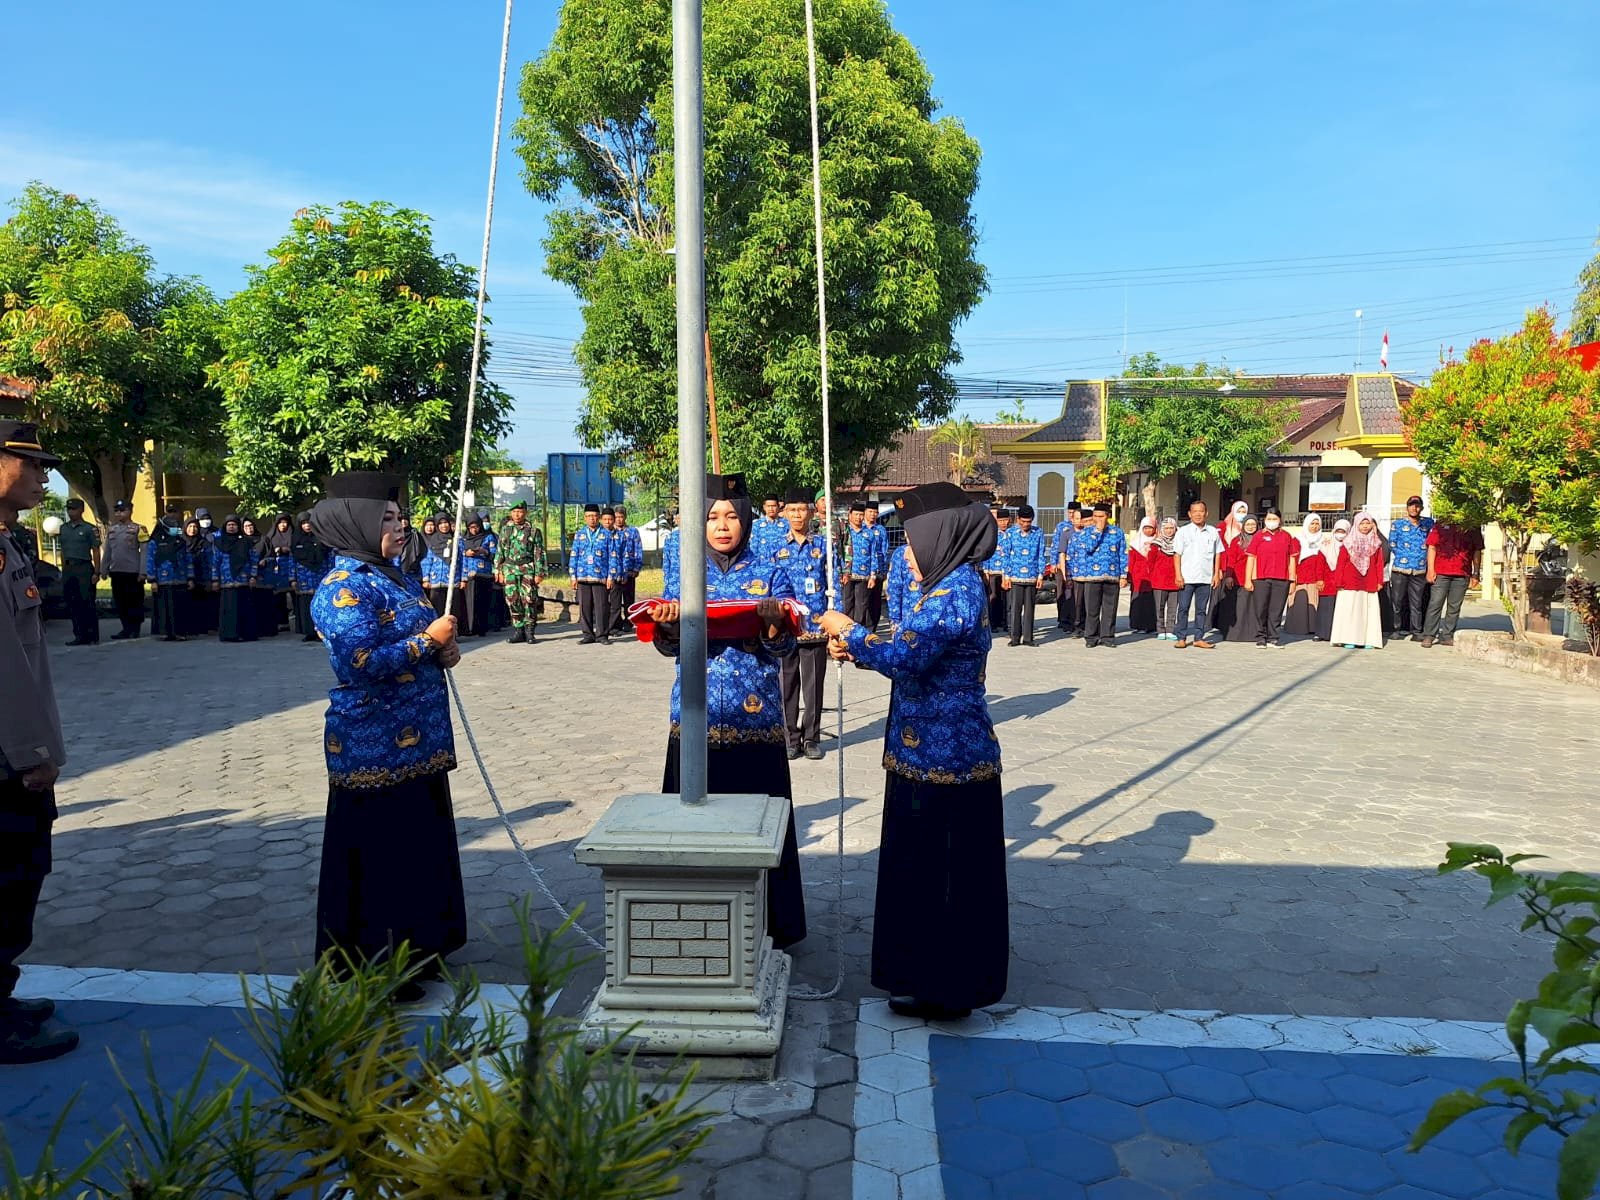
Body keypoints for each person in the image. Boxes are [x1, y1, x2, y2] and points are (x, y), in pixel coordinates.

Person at [818, 481, 1005, 1020]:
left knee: (945, 878)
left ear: (944, 541)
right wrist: (861, 650)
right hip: (919, 756)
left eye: (916, 542)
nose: (909, 554)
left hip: (950, 762)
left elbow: (906, 653)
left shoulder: (956, 593)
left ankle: (948, 988)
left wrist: (850, 631)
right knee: (919, 873)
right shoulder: (943, 587)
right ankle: (920, 977)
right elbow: (906, 652)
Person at [310, 473, 465, 1001]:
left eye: (400, 519)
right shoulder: (343, 588)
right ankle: (377, 965)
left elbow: (420, 639)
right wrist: (426, 642)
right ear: (354, 525)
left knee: (416, 846)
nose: (400, 529)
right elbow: (360, 664)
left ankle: (420, 951)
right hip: (372, 744)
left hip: (417, 739)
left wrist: (442, 649)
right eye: (387, 520)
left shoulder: (395, 576)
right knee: (381, 859)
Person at [648, 474, 806, 949]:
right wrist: (668, 626)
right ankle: (691, 924)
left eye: (732, 516)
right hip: (694, 714)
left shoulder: (772, 570)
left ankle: (771, 926)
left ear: (747, 521)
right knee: (691, 823)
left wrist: (775, 627)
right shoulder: (684, 571)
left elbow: (784, 648)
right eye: (712, 516)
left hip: (754, 719)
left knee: (760, 824)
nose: (722, 526)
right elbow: (667, 645)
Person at [0, 421, 80, 1063]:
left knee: (20, 875)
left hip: (15, 747)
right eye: (28, 464)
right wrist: (31, 753)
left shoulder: (10, 541)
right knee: (6, 876)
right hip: (5, 756)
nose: (41, 476)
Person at [772, 489, 838, 760]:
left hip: (815, 626)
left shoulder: (824, 546)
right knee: (787, 684)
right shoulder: (776, 547)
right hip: (787, 629)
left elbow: (835, 584)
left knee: (813, 687)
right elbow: (767, 585)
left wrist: (838, 626)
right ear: (785, 513)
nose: (798, 515)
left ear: (812, 511)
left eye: (803, 510)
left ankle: (811, 737)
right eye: (793, 510)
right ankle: (790, 736)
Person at [1070, 502, 1128, 648]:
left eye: (1101, 516)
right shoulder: (1087, 532)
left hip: (1112, 575)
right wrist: (1098, 531)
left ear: (1107, 516)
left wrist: (1123, 575)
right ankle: (1091, 637)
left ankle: (1107, 637)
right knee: (1092, 609)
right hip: (1092, 576)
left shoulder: (1117, 532)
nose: (1098, 519)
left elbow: (1123, 554)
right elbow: (1088, 548)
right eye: (1095, 516)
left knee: (1110, 609)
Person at [1421, 521, 1483, 648]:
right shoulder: (1441, 524)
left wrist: (1476, 573)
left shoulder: (1472, 526)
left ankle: (1447, 635)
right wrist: (1431, 569)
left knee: (1454, 607)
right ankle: (1429, 635)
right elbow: (1432, 546)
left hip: (1462, 573)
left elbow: (1477, 550)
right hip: (1441, 572)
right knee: (1435, 603)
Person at [494, 499, 547, 644]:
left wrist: (539, 572)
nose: (517, 515)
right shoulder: (505, 530)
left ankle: (530, 631)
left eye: (520, 512)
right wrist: (497, 570)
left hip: (527, 569)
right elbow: (500, 551)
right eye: (515, 512)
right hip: (510, 569)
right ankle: (519, 630)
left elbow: (539, 552)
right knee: (513, 600)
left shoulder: (534, 531)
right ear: (511, 513)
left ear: (525, 512)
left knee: (529, 600)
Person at [1172, 500, 1223, 650]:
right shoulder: (1183, 532)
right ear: (1189, 514)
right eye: (1195, 511)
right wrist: (1178, 575)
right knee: (1183, 608)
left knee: (1201, 610)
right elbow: (1177, 555)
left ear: (1206, 513)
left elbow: (1218, 553)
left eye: (1201, 511)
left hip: (1205, 577)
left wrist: (1216, 574)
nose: (1198, 514)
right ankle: (1181, 637)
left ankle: (1198, 638)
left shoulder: (1213, 532)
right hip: (1186, 578)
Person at [1330, 512, 1386, 649]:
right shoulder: (1348, 542)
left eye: (1368, 523)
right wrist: (1338, 581)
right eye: (1362, 523)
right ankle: (1349, 638)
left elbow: (1379, 563)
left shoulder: (1376, 543)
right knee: (1351, 611)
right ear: (1356, 524)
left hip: (1369, 581)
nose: (1365, 526)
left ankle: (1369, 639)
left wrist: (1380, 581)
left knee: (1368, 611)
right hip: (1350, 582)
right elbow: (1341, 563)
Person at [1244, 510, 1297, 648]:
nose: (1272, 521)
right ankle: (1261, 637)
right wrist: (1248, 579)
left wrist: (1292, 580)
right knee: (1260, 608)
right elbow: (1251, 557)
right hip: (1261, 577)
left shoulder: (1287, 536)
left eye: (1274, 518)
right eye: (1269, 518)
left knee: (1277, 609)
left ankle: (1273, 637)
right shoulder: (1259, 536)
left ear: (1280, 520)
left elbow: (1292, 558)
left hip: (1282, 578)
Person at [1388, 495, 1434, 640]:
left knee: (1417, 603)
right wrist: (1405, 557)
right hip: (1400, 569)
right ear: (1407, 507)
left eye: (1417, 505)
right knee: (1397, 601)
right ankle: (1397, 629)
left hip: (1420, 570)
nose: (1414, 508)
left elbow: (1432, 543)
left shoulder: (1428, 523)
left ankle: (1416, 631)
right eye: (1411, 505)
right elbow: (1392, 544)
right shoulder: (1398, 524)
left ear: (1422, 507)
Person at [57, 498, 101, 646]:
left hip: (84, 567)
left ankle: (92, 635)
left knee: (87, 601)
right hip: (69, 569)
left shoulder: (89, 528)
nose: (71, 512)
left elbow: (95, 550)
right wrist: (63, 568)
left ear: (81, 510)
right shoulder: (63, 528)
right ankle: (79, 635)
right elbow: (63, 550)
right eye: (69, 509)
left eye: (74, 509)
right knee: (72, 602)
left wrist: (97, 571)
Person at [1002, 503, 1047, 646]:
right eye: (1023, 521)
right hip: (1015, 576)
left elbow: (1041, 555)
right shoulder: (1010, 533)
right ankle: (1015, 637)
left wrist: (1041, 575)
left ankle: (1028, 638)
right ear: (1018, 519)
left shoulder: (1038, 533)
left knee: (1030, 608)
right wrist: (1006, 576)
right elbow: (1006, 556)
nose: (1026, 524)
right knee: (1015, 608)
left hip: (1032, 576)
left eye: (1029, 521)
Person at [569, 504, 614, 645]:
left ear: (599, 517)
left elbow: (613, 556)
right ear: (585, 518)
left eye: (594, 516)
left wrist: (611, 576)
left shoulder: (607, 534)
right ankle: (588, 634)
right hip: (582, 576)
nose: (592, 519)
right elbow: (573, 556)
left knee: (602, 606)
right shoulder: (580, 534)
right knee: (585, 607)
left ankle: (602, 635)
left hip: (600, 576)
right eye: (589, 516)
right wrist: (573, 576)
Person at [101, 498, 145, 640]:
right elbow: (108, 550)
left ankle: (135, 629)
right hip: (117, 571)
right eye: (117, 511)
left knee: (134, 601)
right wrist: (104, 569)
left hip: (133, 572)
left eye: (122, 510)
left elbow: (145, 551)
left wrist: (143, 572)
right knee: (121, 602)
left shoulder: (139, 529)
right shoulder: (112, 530)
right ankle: (125, 628)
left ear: (130, 511)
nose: (119, 513)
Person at [144, 517, 194, 641]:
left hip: (180, 579)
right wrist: (152, 580)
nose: (174, 529)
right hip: (163, 580)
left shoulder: (181, 541)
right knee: (164, 607)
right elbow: (150, 561)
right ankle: (165, 632)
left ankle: (180, 632)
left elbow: (188, 560)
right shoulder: (155, 542)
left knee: (180, 608)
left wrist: (190, 577)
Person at [211, 515, 259, 643]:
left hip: (243, 580)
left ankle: (245, 634)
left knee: (244, 608)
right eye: (229, 525)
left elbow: (253, 560)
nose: (232, 527)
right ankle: (229, 634)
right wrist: (215, 580)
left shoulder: (246, 541)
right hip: (226, 581)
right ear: (225, 526)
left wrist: (253, 576)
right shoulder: (219, 542)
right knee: (229, 608)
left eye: (234, 525)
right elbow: (215, 562)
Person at [1284, 514, 1326, 638]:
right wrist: (1293, 574)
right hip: (1300, 573)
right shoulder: (1298, 539)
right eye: (1312, 523)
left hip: (1316, 574)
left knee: (1314, 599)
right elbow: (1293, 557)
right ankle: (1297, 627)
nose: (1314, 526)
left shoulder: (1324, 539)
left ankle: (1313, 627)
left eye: (1317, 523)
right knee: (1299, 600)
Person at [456, 513, 497, 638]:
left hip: (484, 574)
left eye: (476, 526)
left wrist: (484, 552)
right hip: (467, 575)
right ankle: (470, 628)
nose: (474, 529)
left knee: (483, 602)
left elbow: (495, 554)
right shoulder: (462, 539)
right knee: (468, 603)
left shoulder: (488, 537)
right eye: (471, 527)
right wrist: (465, 553)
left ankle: (482, 628)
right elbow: (457, 555)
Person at [1222, 511, 1260, 643]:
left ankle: (1255, 633)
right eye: (1248, 524)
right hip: (1239, 578)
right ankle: (1237, 634)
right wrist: (1229, 576)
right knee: (1240, 607)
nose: (1250, 527)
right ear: (1243, 525)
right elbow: (1230, 559)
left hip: (1257, 577)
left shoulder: (1260, 539)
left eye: (1253, 524)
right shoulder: (1236, 541)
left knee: (1254, 607)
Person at [290, 512, 327, 641]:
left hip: (320, 575)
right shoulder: (296, 540)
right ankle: (309, 632)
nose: (307, 526)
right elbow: (292, 560)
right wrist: (292, 579)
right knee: (305, 605)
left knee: (319, 604)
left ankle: (321, 632)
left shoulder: (321, 538)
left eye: (309, 523)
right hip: (303, 577)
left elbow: (328, 558)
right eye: (304, 523)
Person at [1314, 520, 1350, 643]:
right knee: (1325, 608)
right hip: (1327, 581)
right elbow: (1320, 563)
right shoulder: (1326, 545)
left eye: (1343, 531)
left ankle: (1338, 635)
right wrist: (1319, 579)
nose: (1340, 534)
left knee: (1340, 610)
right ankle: (1321, 633)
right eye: (1338, 531)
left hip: (1344, 583)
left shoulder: (1351, 545)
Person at [1051, 506, 1084, 634]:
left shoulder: (1087, 532)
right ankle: (1065, 621)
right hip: (1067, 569)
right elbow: (1058, 549)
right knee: (1065, 595)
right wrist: (1056, 564)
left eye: (1080, 518)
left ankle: (1080, 623)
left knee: (1080, 598)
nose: (1078, 521)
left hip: (1083, 571)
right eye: (1074, 516)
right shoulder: (1064, 530)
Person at [612, 506, 644, 636]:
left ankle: (628, 622)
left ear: (625, 517)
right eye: (617, 517)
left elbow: (638, 550)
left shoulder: (633, 532)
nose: (619, 519)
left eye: (621, 516)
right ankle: (615, 624)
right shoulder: (610, 532)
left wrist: (636, 568)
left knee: (629, 600)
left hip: (629, 571)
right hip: (615, 573)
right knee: (615, 600)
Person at [183, 517, 218, 636]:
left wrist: (212, 579)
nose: (192, 529)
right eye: (190, 527)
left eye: (195, 527)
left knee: (201, 604)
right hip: (185, 579)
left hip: (202, 578)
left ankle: (202, 627)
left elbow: (210, 561)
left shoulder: (204, 543)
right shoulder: (180, 542)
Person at [1148, 517, 1181, 640]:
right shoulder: (1156, 544)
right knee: (1159, 607)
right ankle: (1161, 629)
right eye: (1166, 528)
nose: (1169, 531)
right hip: (1159, 580)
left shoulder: (1180, 542)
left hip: (1175, 581)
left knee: (1173, 608)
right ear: (1162, 529)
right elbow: (1150, 562)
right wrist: (1153, 577)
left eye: (1171, 528)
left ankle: (1171, 629)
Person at [983, 507, 1014, 633]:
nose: (1003, 523)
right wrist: (985, 570)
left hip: (1008, 572)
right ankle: (994, 623)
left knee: (1007, 599)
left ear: (1009, 520)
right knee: (993, 597)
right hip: (993, 571)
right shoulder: (992, 534)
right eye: (1000, 520)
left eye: (1005, 520)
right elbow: (986, 552)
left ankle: (1007, 623)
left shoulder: (1013, 534)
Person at [1126, 515, 1158, 634]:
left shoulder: (1158, 542)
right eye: (1145, 528)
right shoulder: (1135, 543)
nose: (1148, 530)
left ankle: (1150, 626)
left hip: (1152, 576)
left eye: (1150, 528)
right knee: (1137, 600)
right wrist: (1129, 575)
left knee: (1150, 602)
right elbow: (1131, 560)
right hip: (1138, 576)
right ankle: (1137, 625)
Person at [265, 514, 297, 632]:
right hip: (277, 570)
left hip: (292, 568)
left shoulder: (294, 536)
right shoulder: (271, 537)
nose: (283, 525)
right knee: (279, 598)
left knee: (296, 597)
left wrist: (287, 550)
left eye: (285, 522)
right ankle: (283, 622)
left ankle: (299, 622)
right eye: (280, 522)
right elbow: (267, 551)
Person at [862, 504, 890, 628]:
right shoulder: (859, 528)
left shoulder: (881, 530)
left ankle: (873, 628)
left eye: (875, 512)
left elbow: (884, 550)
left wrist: (884, 571)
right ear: (865, 512)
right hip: (862, 571)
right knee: (862, 601)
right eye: (870, 511)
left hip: (878, 570)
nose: (872, 514)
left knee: (875, 601)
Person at [421, 514, 454, 616]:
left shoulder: (456, 539)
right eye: (440, 523)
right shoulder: (433, 541)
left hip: (452, 581)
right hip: (435, 581)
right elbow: (427, 560)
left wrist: (463, 578)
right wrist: (426, 578)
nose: (443, 526)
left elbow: (462, 560)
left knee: (452, 609)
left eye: (445, 523)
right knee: (436, 609)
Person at [751, 493, 789, 561]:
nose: (771, 509)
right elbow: (753, 548)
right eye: (768, 506)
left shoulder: (786, 524)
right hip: (762, 565)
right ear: (764, 507)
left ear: (778, 506)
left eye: (773, 506)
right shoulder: (756, 525)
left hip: (781, 564)